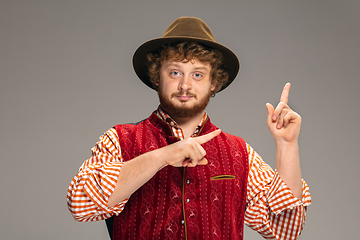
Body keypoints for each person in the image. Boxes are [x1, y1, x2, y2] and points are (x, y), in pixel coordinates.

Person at [67, 17, 311, 240]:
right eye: (175, 72)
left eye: (197, 74)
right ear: (156, 77)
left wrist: (287, 145)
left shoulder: (239, 153)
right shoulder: (119, 140)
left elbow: (284, 229)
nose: (185, 85)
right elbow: (81, 204)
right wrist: (163, 156)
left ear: (213, 83)